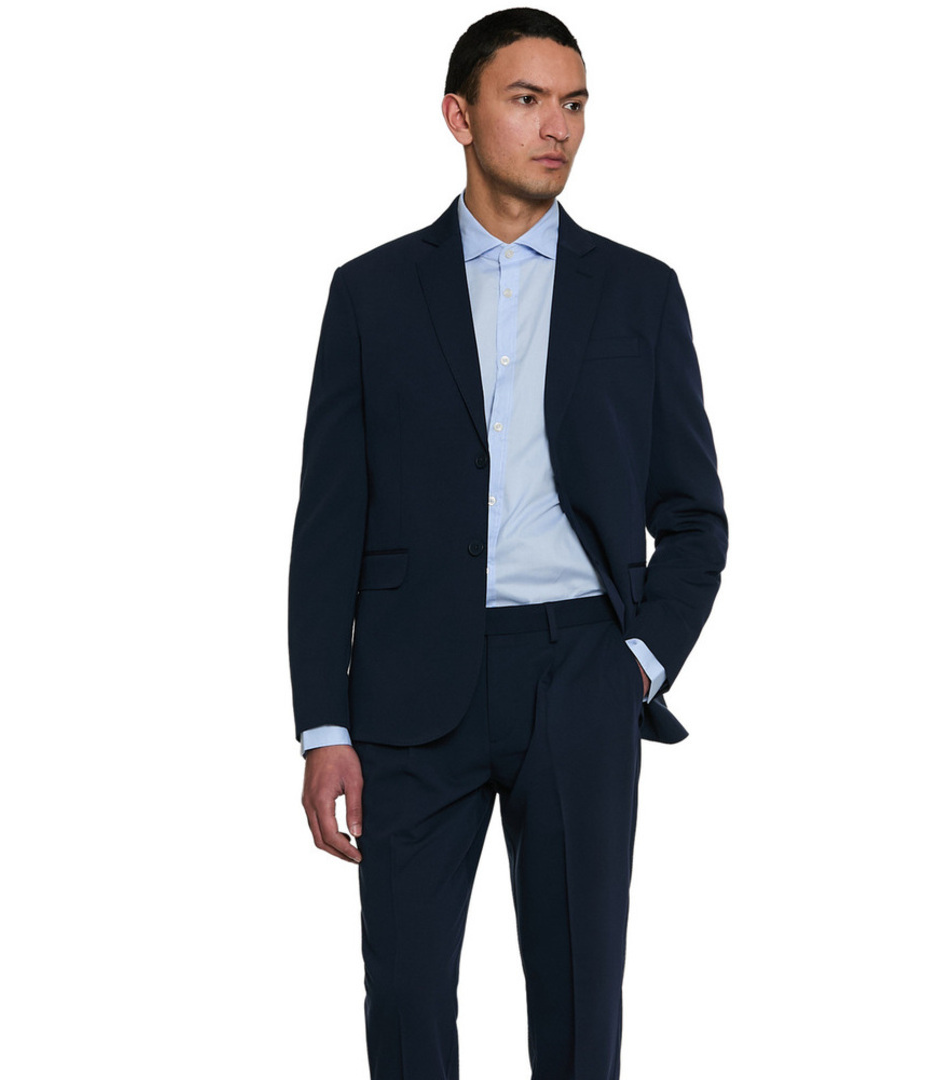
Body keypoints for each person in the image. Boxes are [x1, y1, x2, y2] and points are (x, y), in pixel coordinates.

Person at [288, 8, 727, 1077]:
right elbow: (327, 525)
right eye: (526, 100)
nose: (556, 127)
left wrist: (636, 663)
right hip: (408, 685)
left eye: (573, 104)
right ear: (460, 116)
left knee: (579, 1003)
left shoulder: (640, 292)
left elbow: (695, 517)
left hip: (580, 673)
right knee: (404, 997)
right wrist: (322, 724)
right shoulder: (372, 293)